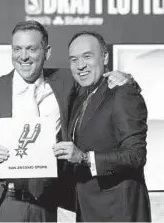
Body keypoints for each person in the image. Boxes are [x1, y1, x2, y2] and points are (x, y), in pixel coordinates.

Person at [0, 21, 135, 222]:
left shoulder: (67, 82)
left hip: (45, 206)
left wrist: (125, 78)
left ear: (47, 52)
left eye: (31, 49)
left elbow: (96, 78)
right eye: (17, 49)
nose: (23, 56)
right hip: (0, 205)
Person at [53, 31, 151, 222]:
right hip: (87, 210)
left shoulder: (122, 93)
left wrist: (83, 158)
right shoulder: (80, 96)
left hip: (118, 213)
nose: (80, 65)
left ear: (105, 57)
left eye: (87, 56)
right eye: (73, 59)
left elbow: (136, 156)